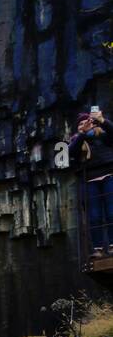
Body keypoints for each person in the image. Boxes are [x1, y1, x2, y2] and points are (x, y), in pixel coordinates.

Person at [74, 108, 113, 259]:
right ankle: (96, 249)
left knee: (111, 213)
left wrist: (103, 120)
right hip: (89, 181)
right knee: (94, 217)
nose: (85, 125)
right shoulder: (74, 141)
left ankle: (112, 245)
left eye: (87, 121)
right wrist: (82, 135)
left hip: (109, 176)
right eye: (80, 124)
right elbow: (68, 154)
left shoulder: (104, 136)